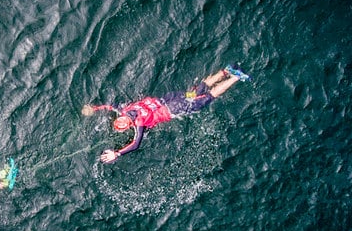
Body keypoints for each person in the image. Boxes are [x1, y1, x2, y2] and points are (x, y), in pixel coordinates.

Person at [83, 64, 250, 163]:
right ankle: (225, 71)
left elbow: (136, 144)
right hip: (170, 98)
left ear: (127, 124)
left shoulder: (139, 122)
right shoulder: (124, 109)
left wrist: (117, 153)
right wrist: (93, 109)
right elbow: (108, 107)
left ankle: (235, 77)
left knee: (207, 98)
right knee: (196, 91)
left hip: (174, 108)